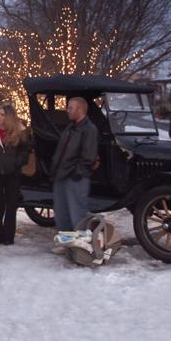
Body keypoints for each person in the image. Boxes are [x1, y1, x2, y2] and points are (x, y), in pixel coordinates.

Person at [0, 104, 31, 245]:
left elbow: (26, 150)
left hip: (13, 174)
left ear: (9, 117)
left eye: (2, 115)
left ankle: (8, 236)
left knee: (11, 205)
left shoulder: (20, 131)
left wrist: (17, 162)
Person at [50, 97, 98, 242]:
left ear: (80, 110)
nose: (67, 110)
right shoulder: (70, 128)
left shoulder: (89, 129)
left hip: (75, 178)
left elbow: (88, 156)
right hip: (61, 176)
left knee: (77, 215)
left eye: (71, 108)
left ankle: (80, 247)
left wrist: (77, 173)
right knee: (61, 214)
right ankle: (66, 244)